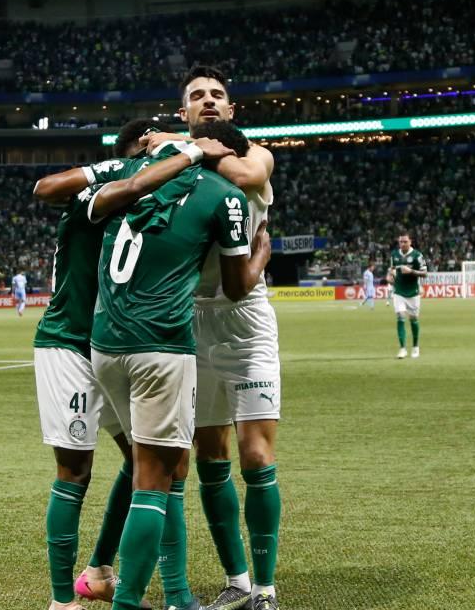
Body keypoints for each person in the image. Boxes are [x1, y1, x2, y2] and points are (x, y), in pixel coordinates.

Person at [31, 119, 236, 610]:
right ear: (140, 149)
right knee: (75, 470)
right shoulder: (114, 185)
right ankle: (64, 602)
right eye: (160, 135)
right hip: (71, 341)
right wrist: (183, 157)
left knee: (151, 465)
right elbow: (46, 187)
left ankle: (104, 571)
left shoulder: (144, 192)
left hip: (111, 342)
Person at [88, 125, 271, 610]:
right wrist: (263, 253)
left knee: (147, 468)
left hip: (103, 341)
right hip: (163, 341)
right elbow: (235, 287)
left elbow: (55, 189)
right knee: (157, 478)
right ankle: (144, 601)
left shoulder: (132, 180)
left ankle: (123, 578)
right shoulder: (223, 194)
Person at [145, 68, 285, 610]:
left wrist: (188, 146)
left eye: (216, 95)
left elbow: (249, 175)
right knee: (211, 455)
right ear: (183, 110)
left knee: (255, 454)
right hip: (192, 321)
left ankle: (267, 589)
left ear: (231, 109)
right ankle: (238, 579)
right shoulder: (170, 162)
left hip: (248, 321)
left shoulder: (257, 152)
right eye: (196, 97)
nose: (207, 101)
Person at [386, 233, 427, 360]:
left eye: (405, 241)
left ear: (410, 241)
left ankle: (415, 347)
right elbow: (392, 270)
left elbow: (425, 273)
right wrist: (390, 276)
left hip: (413, 292)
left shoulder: (417, 255)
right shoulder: (394, 255)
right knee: (400, 316)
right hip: (398, 291)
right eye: (400, 242)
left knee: (413, 318)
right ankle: (402, 349)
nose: (402, 244)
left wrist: (411, 271)